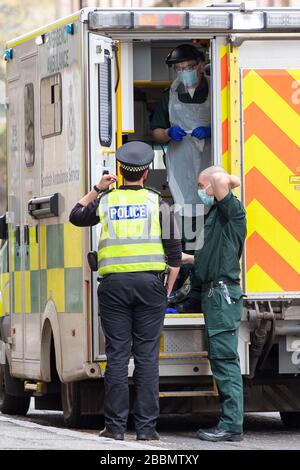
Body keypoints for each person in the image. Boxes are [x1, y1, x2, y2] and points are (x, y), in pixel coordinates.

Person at [69, 141, 181, 441]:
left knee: (117, 357)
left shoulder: (106, 202)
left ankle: (115, 429)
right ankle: (146, 431)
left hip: (114, 288)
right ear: (146, 173)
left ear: (119, 171)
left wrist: (98, 187)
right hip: (150, 286)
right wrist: (166, 290)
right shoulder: (159, 203)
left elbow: (75, 215)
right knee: (146, 358)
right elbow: (174, 255)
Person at [151, 44, 211, 310]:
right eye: (179, 68)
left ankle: (205, 284)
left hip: (211, 165)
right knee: (186, 226)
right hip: (181, 168)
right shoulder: (169, 94)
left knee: (210, 224)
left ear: (200, 64)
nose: (184, 72)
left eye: (188, 67)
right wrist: (168, 134)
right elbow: (156, 132)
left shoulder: (217, 86)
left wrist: (210, 130)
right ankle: (188, 290)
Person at [192, 165, 247, 442]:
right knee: (221, 359)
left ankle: (231, 425)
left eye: (202, 186)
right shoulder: (218, 212)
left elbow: (221, 177)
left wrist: (214, 181)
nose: (200, 191)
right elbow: (210, 255)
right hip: (214, 294)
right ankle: (229, 422)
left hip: (222, 296)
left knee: (225, 361)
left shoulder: (232, 211)